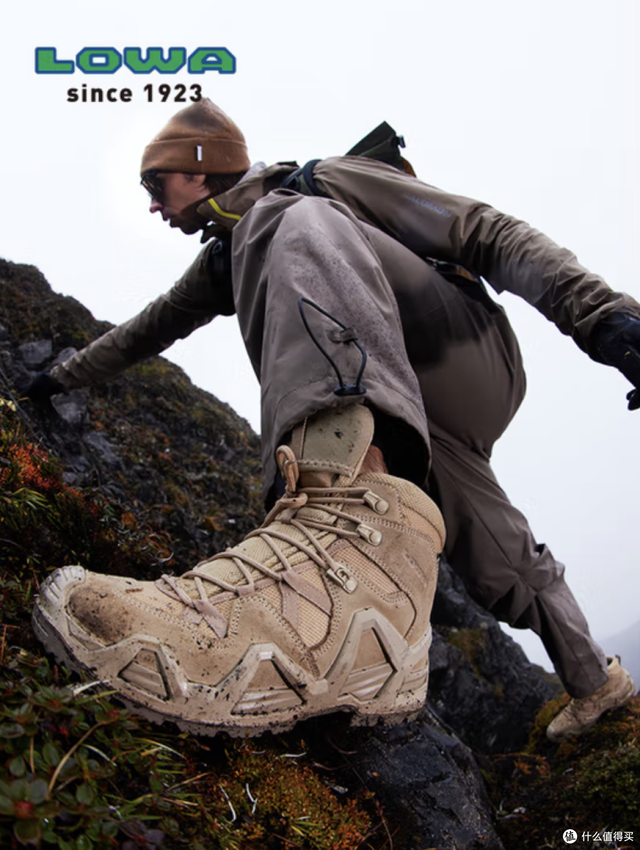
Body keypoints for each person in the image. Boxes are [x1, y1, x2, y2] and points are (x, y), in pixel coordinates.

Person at [30, 99, 636, 742]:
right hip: (412, 411)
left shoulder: (315, 189)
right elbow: (143, 331)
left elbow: (481, 229)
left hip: (460, 352)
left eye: (157, 183)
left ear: (200, 167)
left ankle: (341, 528)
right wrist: (59, 376)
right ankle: (597, 681)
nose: (152, 203)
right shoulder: (222, 260)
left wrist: (603, 317)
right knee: (500, 562)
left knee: (288, 221)